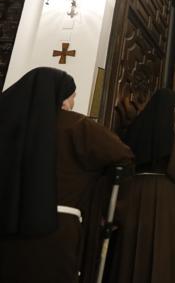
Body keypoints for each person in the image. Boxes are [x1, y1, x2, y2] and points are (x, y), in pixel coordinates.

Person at [0, 67, 134, 283]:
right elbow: (123, 154)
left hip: (7, 224)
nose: (72, 104)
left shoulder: (8, 124)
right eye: (72, 97)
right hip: (55, 230)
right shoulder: (77, 125)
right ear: (60, 98)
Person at [109, 89, 175, 283]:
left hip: (134, 191)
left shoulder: (135, 127)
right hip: (164, 194)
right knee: (159, 245)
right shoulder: (173, 132)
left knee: (133, 245)